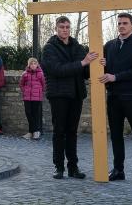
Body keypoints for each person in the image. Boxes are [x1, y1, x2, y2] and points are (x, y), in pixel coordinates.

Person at [41, 16, 97, 180]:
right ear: (56, 29)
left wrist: (98, 65)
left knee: (72, 132)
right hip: (59, 95)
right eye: (62, 27)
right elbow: (57, 70)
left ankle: (73, 167)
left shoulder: (77, 47)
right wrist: (82, 63)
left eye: (67, 27)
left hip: (76, 94)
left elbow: (85, 71)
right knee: (59, 131)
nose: (65, 30)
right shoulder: (49, 48)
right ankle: (59, 167)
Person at [99, 12, 132, 185]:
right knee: (115, 135)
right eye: (119, 23)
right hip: (113, 97)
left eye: (125, 23)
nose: (121, 26)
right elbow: (105, 71)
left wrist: (116, 77)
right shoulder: (109, 45)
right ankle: (118, 170)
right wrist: (102, 67)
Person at [19, 57, 45, 140]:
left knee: (35, 114)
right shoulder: (25, 74)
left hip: (36, 98)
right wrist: (25, 91)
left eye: (35, 63)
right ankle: (32, 132)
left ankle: (35, 132)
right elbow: (21, 84)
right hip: (27, 97)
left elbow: (44, 85)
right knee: (28, 113)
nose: (33, 65)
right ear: (29, 65)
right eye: (31, 64)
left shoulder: (40, 74)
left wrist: (40, 92)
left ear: (37, 64)